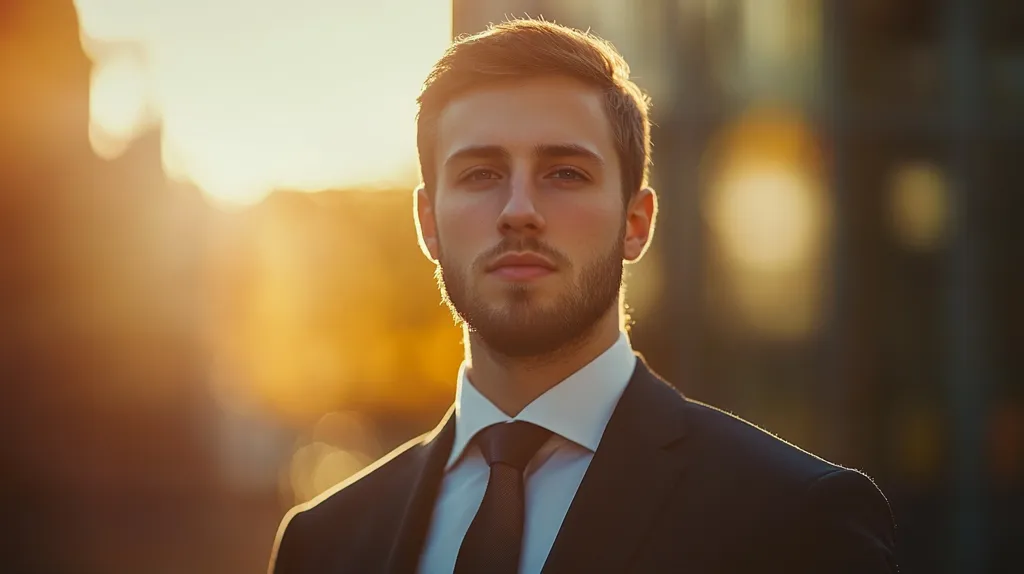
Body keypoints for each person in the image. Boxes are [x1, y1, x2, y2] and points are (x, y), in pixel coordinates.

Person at [268, 18, 897, 574]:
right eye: (480, 174)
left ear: (637, 222)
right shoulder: (322, 544)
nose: (519, 211)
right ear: (427, 224)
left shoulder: (795, 522)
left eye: (564, 173)